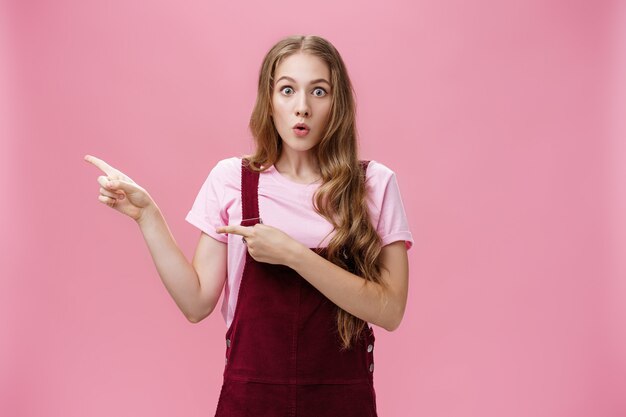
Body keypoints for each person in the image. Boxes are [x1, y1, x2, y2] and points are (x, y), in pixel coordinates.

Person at [85, 34, 413, 417]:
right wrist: (147, 216)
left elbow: (390, 310)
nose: (302, 107)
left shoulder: (375, 184)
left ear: (336, 102)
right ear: (269, 101)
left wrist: (292, 255)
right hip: (252, 400)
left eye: (318, 91)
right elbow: (196, 304)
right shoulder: (232, 179)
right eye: (287, 90)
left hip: (342, 402)